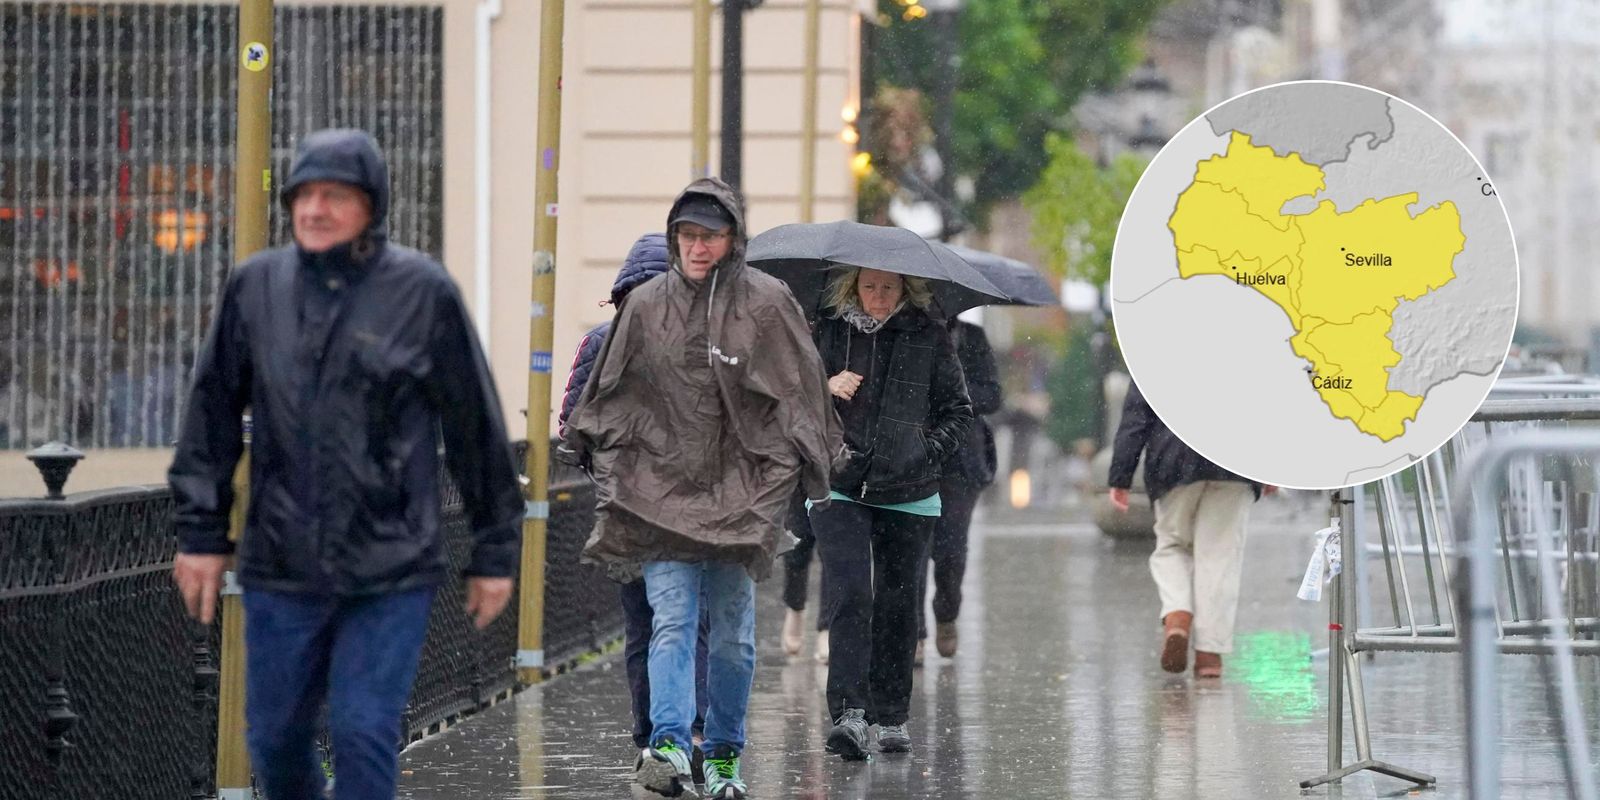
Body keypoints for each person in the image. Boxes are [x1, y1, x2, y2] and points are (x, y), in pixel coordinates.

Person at [168, 129, 523, 799]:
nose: (314, 209)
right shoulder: (256, 288)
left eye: (334, 195)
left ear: (371, 206)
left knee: (363, 732)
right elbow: (211, 415)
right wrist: (201, 536)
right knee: (273, 741)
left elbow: (475, 426)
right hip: (281, 564)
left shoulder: (422, 293)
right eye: (303, 195)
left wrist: (495, 551)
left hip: (389, 567)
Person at [564, 177, 841, 800]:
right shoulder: (647, 305)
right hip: (661, 493)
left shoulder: (767, 305)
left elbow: (800, 389)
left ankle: (721, 753)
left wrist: (803, 467)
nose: (696, 248)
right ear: (673, 239)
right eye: (686, 236)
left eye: (708, 236)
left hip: (740, 498)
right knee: (672, 622)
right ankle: (668, 744)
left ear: (731, 240)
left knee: (735, 638)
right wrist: (603, 458)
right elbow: (610, 394)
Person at [557, 231, 710, 778]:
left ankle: (661, 732)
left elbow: (571, 431)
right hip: (639, 510)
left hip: (658, 508)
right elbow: (576, 430)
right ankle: (674, 730)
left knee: (655, 624)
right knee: (676, 622)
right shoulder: (605, 346)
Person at [810, 266, 972, 760]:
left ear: (905, 288)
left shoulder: (928, 334)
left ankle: (892, 715)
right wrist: (824, 384)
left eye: (888, 286)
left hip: (911, 489)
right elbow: (790, 399)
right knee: (852, 591)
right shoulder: (828, 329)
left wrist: (923, 453)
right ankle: (850, 714)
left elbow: (958, 410)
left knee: (899, 604)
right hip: (840, 484)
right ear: (852, 288)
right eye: (869, 286)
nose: (878, 296)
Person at [1106, 381, 1268, 679]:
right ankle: (1209, 655)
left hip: (1174, 458)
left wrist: (1121, 475)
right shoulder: (1246, 341)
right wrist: (1272, 464)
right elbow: (1269, 399)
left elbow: (1136, 416)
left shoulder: (1155, 347)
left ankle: (1178, 616)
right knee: (1219, 557)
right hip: (1236, 457)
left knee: (1171, 544)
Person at [915, 317, 1001, 661]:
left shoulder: (972, 337)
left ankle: (947, 613)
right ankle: (915, 633)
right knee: (913, 551)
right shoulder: (908, 330)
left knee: (951, 550)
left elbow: (993, 396)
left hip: (961, 462)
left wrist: (952, 388)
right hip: (915, 455)